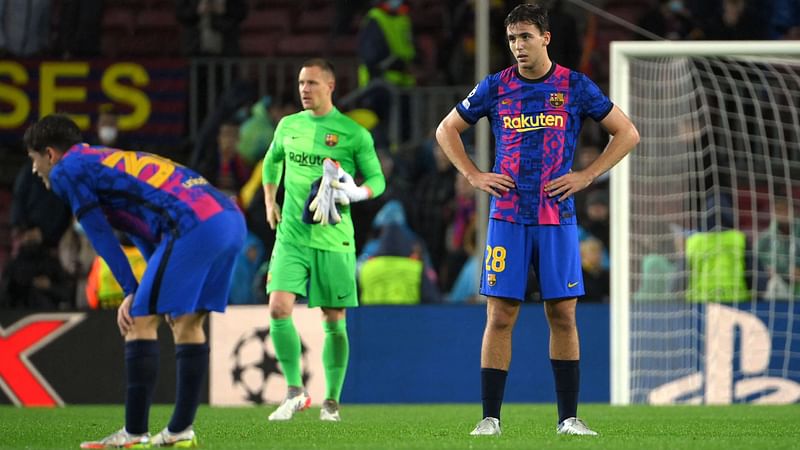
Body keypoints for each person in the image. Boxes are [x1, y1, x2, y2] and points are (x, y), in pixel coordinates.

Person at [435, 3, 639, 436]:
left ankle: (569, 419)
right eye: (511, 39)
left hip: (556, 216)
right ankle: (490, 418)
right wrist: (472, 174)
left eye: (525, 36)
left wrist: (587, 175)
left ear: (545, 37)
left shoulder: (575, 86)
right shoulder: (495, 87)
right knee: (500, 315)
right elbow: (445, 129)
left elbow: (627, 132)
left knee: (562, 314)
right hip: (507, 217)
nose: (518, 46)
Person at [23, 114, 246, 448]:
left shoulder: (69, 170)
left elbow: (100, 236)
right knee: (188, 323)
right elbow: (141, 228)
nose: (34, 169)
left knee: (139, 321)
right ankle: (179, 431)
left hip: (193, 225)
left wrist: (131, 290)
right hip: (228, 219)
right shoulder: (104, 162)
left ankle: (134, 433)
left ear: (51, 155)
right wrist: (148, 285)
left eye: (34, 159)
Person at [262, 58, 385, 422]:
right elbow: (272, 162)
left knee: (333, 319)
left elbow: (378, 179)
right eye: (301, 83)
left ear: (330, 86)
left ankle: (330, 401)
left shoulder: (353, 133)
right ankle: (294, 391)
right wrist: (271, 200)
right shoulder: (288, 126)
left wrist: (357, 194)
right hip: (292, 236)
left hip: (334, 239)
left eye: (312, 83)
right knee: (278, 308)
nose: (304, 89)